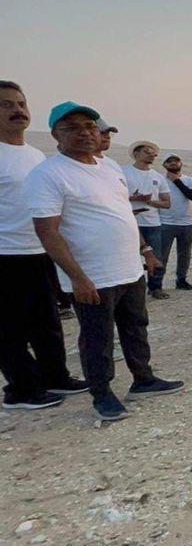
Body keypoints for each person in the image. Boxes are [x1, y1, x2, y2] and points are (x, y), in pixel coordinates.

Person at [26, 101, 184, 421]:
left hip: (129, 268)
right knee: (98, 337)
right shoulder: (48, 173)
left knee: (136, 327)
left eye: (89, 126)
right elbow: (48, 232)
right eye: (72, 128)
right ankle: (102, 393)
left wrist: (146, 252)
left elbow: (123, 213)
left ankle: (143, 379)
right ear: (56, 134)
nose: (84, 133)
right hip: (93, 276)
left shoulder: (109, 167)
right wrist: (78, 278)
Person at [0, 82, 88, 410]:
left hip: (39, 250)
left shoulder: (35, 155)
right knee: (10, 327)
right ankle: (20, 389)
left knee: (47, 321)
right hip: (6, 254)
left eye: (20, 103)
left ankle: (55, 377)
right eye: (6, 105)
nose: (17, 110)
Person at [122, 141, 171, 299]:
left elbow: (167, 203)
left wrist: (148, 201)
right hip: (129, 222)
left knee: (156, 257)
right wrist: (132, 198)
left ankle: (156, 287)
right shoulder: (123, 172)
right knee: (128, 256)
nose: (151, 155)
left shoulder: (157, 177)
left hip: (152, 223)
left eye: (153, 153)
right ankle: (129, 289)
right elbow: (113, 196)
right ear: (136, 154)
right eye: (146, 151)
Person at [157, 154, 192, 291]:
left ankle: (181, 279)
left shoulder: (190, 180)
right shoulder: (160, 181)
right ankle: (157, 284)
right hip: (165, 222)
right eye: (170, 162)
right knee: (162, 255)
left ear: (181, 164)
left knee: (185, 254)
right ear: (164, 165)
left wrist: (177, 181)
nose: (173, 163)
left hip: (187, 222)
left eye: (176, 161)